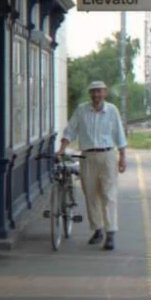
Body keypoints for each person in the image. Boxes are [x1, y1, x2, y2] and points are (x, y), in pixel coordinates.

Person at [57, 80, 127, 250]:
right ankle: (97, 229)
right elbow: (70, 130)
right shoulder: (82, 110)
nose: (96, 95)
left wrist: (122, 156)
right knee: (90, 194)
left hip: (107, 155)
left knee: (108, 194)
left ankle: (110, 233)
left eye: (99, 92)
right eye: (93, 92)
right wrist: (62, 149)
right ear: (90, 94)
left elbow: (118, 132)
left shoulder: (112, 110)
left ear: (105, 93)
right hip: (87, 156)